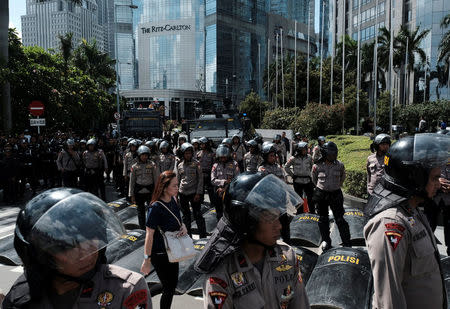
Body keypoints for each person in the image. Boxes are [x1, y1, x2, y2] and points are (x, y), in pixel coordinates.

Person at [3, 188, 152, 308]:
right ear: (40, 255)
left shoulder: (126, 289)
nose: (88, 253)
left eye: (92, 238)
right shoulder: (20, 297)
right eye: (69, 246)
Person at [195, 173, 310, 309]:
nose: (279, 226)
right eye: (270, 218)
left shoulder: (287, 257)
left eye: (279, 217)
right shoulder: (221, 275)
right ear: (247, 221)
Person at [364, 133, 449, 309]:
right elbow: (388, 300)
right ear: (414, 179)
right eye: (434, 178)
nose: (439, 184)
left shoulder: (412, 210)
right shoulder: (390, 223)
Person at [141, 171, 187, 309]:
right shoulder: (155, 207)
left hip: (173, 249)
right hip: (159, 253)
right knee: (169, 287)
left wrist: (183, 226)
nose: (177, 188)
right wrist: (146, 259)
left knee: (170, 285)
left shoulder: (173, 200)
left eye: (177, 184)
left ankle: (144, 295)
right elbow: (149, 234)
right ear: (165, 187)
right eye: (174, 185)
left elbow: (178, 220)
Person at [311, 141, 351, 250]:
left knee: (340, 219)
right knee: (323, 219)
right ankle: (326, 242)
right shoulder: (317, 166)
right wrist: (322, 188)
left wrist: (335, 186)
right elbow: (314, 179)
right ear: (324, 153)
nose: (333, 156)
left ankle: (346, 242)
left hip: (336, 194)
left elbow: (342, 177)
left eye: (334, 154)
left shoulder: (340, 165)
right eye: (330, 154)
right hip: (322, 194)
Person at [177, 143, 207, 237]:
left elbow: (200, 180)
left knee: (198, 215)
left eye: (189, 153)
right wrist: (176, 193)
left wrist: (198, 193)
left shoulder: (196, 164)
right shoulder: (180, 165)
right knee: (186, 217)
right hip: (183, 193)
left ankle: (203, 236)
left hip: (194, 193)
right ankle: (188, 236)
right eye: (186, 153)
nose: (188, 155)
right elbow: (178, 180)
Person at [129, 145, 159, 230]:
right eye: (143, 155)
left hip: (150, 191)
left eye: (146, 155)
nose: (144, 157)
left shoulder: (152, 165)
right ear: (139, 155)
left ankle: (151, 228)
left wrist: (157, 193)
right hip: (139, 192)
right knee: (140, 211)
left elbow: (156, 179)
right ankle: (142, 229)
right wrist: (131, 194)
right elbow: (132, 181)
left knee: (152, 211)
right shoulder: (134, 166)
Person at [211, 145, 240, 220]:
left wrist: (225, 189)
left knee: (230, 213)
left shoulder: (234, 164)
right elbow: (213, 180)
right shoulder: (215, 165)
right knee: (219, 212)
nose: (222, 159)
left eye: (224, 157)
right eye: (221, 157)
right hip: (218, 192)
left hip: (230, 193)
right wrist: (223, 182)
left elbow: (237, 179)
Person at [285, 142, 314, 213]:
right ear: (299, 150)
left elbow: (313, 167)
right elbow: (286, 167)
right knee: (298, 199)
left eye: (306, 149)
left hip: (308, 181)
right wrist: (292, 175)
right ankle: (299, 212)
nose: (306, 151)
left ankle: (312, 212)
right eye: (304, 149)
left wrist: (312, 177)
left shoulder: (309, 157)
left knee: (311, 198)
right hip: (298, 181)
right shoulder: (293, 158)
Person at [197, 137, 216, 206]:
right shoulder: (198, 153)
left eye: (203, 144)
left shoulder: (213, 153)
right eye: (201, 144)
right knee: (201, 188)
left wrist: (212, 174)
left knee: (210, 189)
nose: (201, 145)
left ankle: (213, 203)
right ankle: (201, 202)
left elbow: (214, 165)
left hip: (209, 173)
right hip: (201, 173)